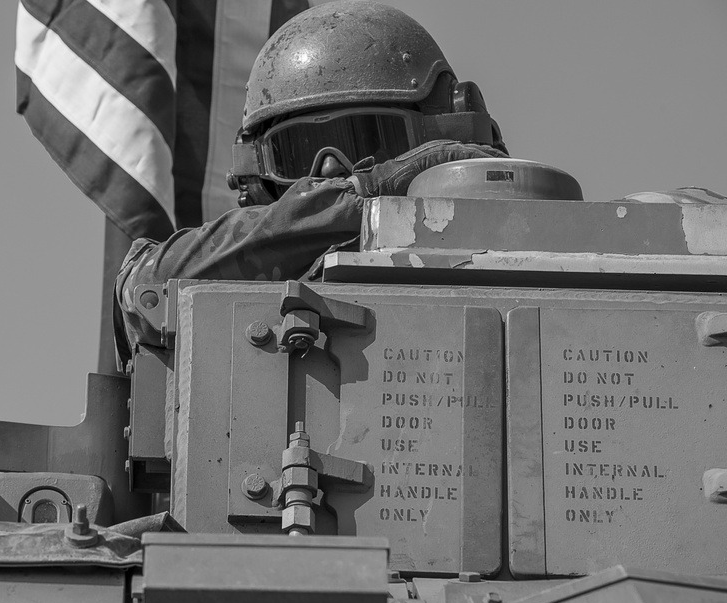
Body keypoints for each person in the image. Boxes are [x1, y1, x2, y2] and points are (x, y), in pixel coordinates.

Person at [114, 2, 508, 368]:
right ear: (259, 177)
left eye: (366, 138)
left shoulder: (506, 235)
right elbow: (145, 285)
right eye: (297, 154)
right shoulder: (250, 268)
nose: (334, 171)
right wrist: (366, 193)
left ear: (442, 138)